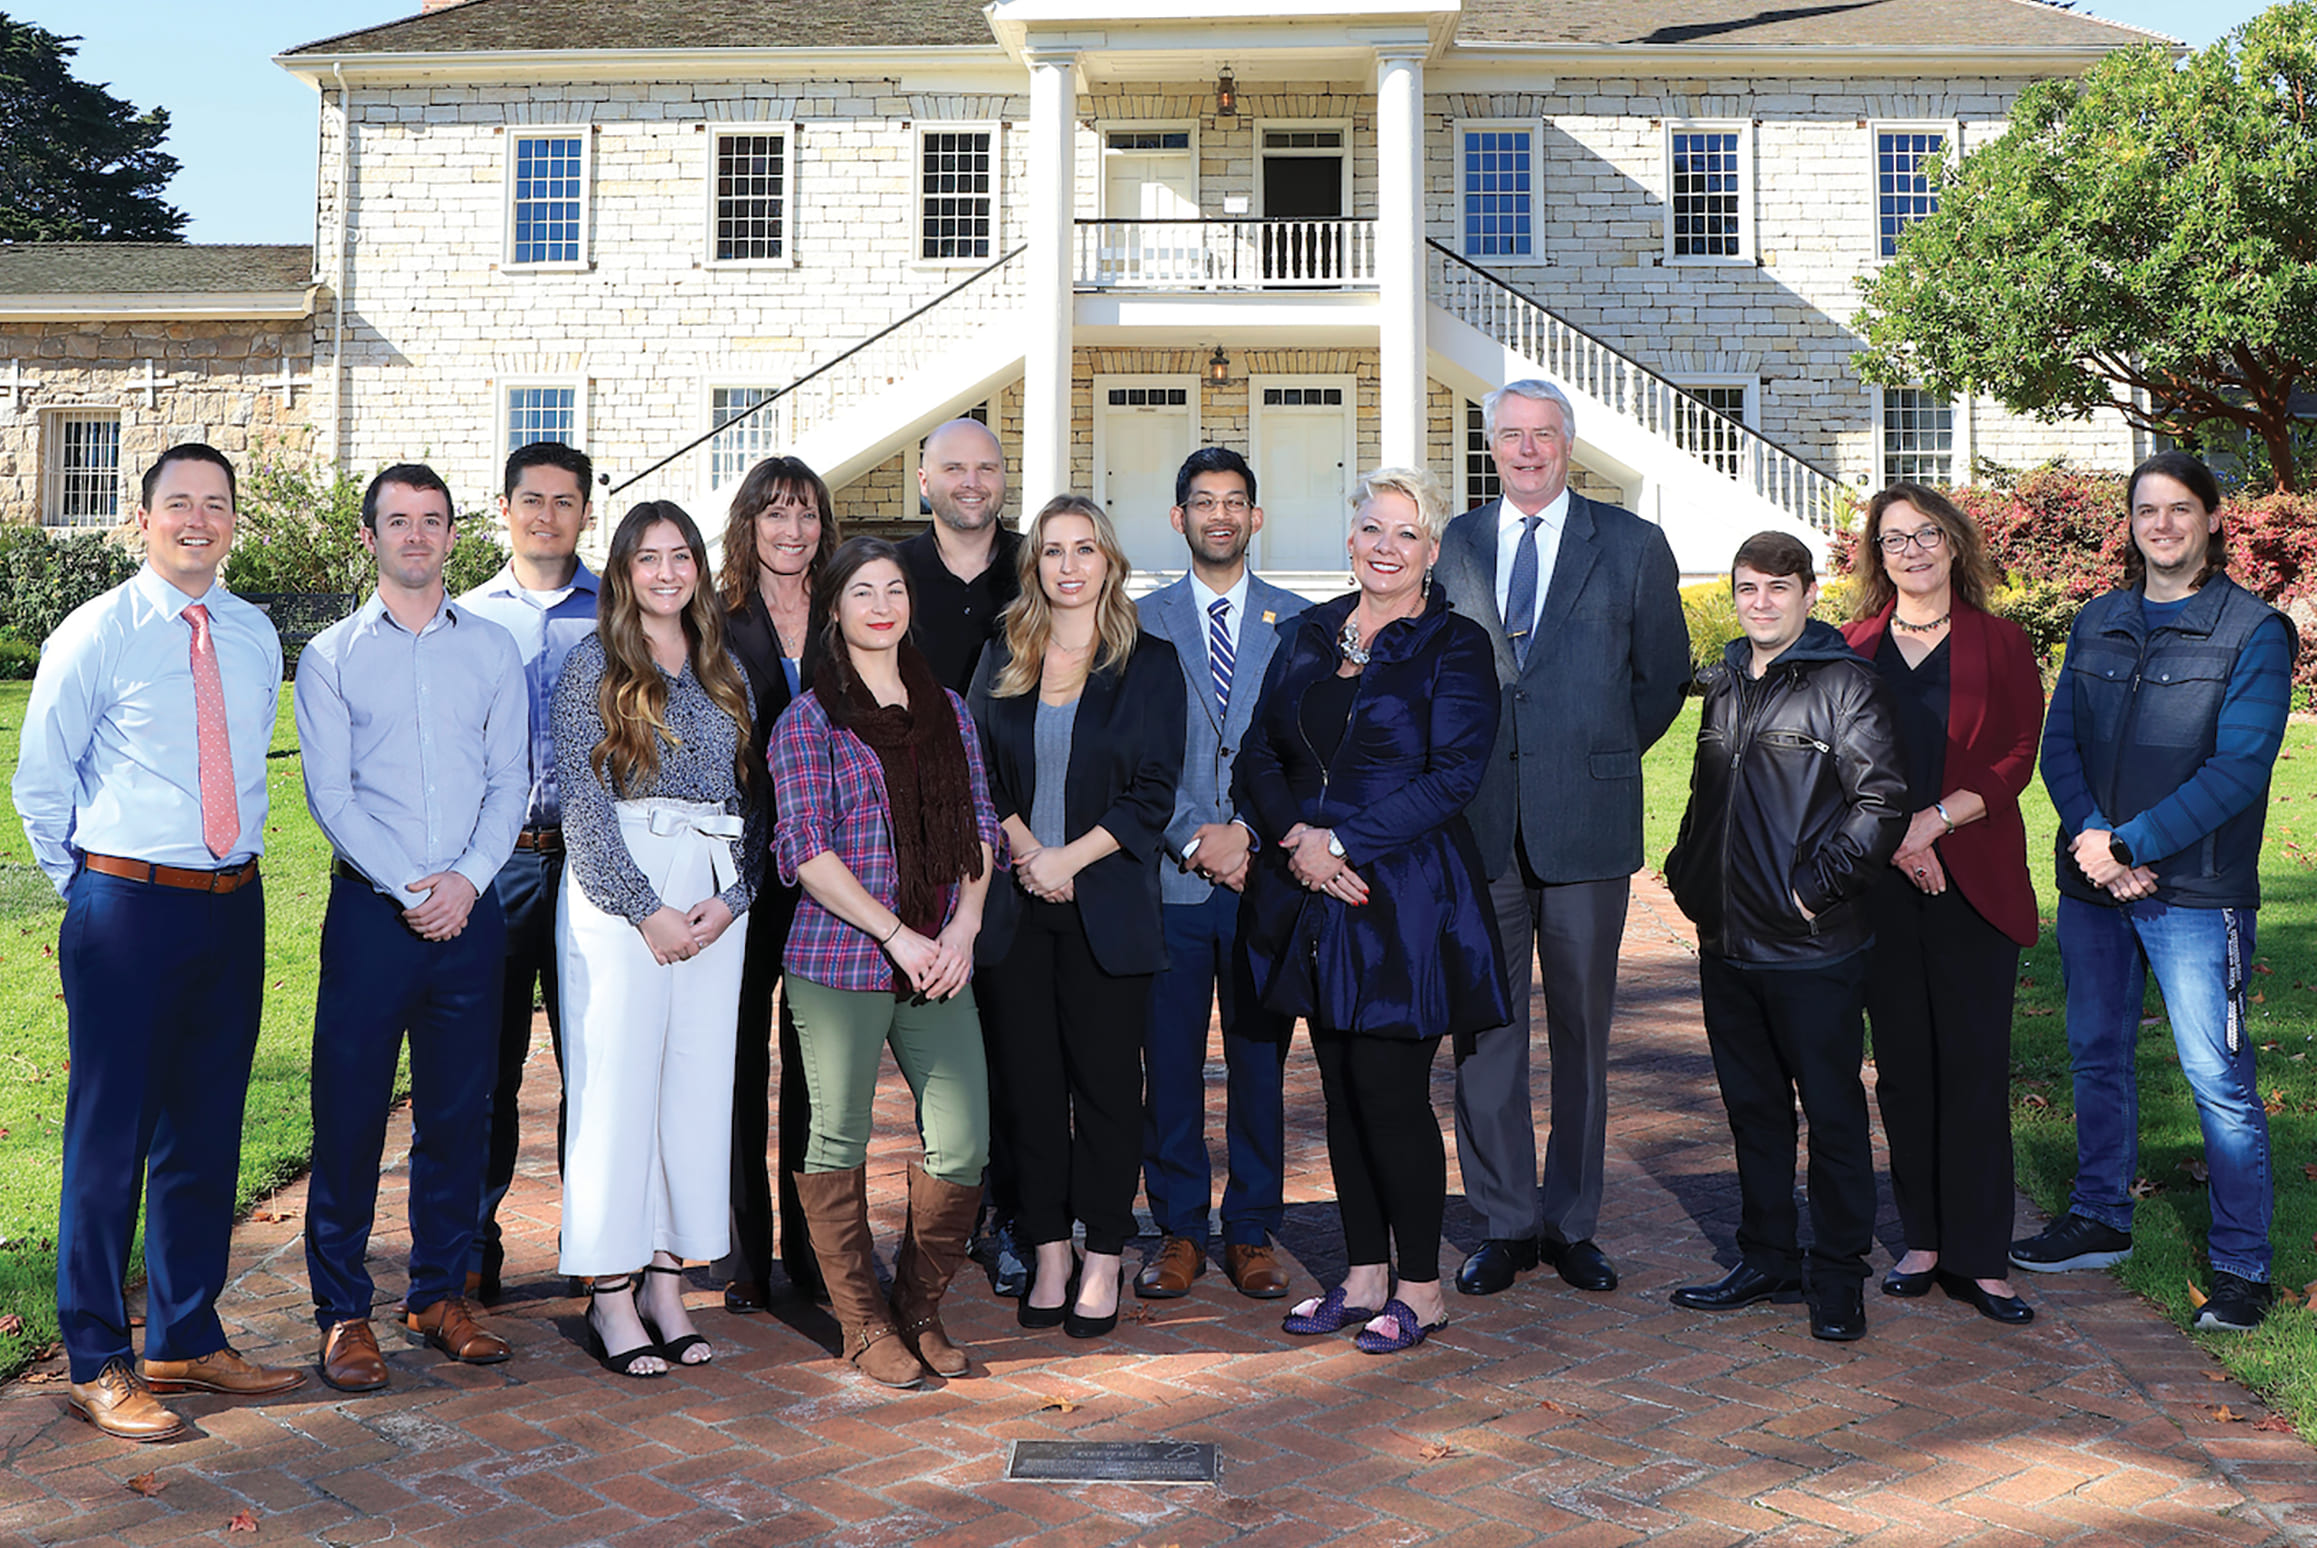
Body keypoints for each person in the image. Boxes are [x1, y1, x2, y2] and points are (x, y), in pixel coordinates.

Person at [15, 443, 304, 1441]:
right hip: (129, 906)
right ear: (143, 520)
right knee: (111, 1139)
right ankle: (97, 1355)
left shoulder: (254, 632)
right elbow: (41, 784)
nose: (198, 518)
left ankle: (185, 1334)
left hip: (235, 902)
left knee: (206, 1130)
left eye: (216, 504)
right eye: (177, 502)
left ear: (232, 522)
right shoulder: (96, 634)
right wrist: (95, 891)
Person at [2014, 451, 2296, 1333]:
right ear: (2128, 523)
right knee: (2095, 1055)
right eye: (2146, 511)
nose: (2162, 525)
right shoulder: (2097, 620)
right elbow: (2057, 745)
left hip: (2196, 894)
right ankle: (2100, 1217)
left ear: (2213, 520)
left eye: (2179, 510)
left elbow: (2240, 767)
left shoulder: (2252, 631)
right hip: (2095, 888)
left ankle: (2242, 1265)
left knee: (2217, 1079)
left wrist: (2131, 841)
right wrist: (2095, 841)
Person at [1237, 468, 1507, 1355]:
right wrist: (1300, 846)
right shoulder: (1310, 631)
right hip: (1315, 894)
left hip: (1403, 895)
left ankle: (1419, 1288)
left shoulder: (1454, 644)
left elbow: (1453, 776)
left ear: (1431, 552)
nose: (1384, 546)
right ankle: (1359, 1277)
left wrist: (1341, 845)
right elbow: (1258, 756)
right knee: (1343, 1095)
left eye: (1405, 533)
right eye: (1370, 528)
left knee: (1391, 1095)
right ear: (1348, 538)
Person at [1432, 379, 1690, 1299]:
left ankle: (1572, 1222)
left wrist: (1598, 755)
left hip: (1587, 826)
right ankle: (1503, 1225)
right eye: (1512, 437)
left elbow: (1660, 678)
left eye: (1544, 435)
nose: (1528, 451)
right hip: (1479, 828)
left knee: (1581, 1034)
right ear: (1491, 446)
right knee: (1485, 1033)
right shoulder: (1455, 544)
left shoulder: (1629, 545)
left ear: (1568, 443)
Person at [295, 464, 529, 1390]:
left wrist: (466, 884)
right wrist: (410, 888)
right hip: (371, 914)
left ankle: (437, 1293)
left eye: (433, 521)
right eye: (399, 521)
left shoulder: (492, 653)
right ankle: (343, 1312)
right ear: (371, 538)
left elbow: (509, 781)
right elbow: (330, 795)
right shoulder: (332, 656)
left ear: (451, 535)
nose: (418, 536)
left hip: (471, 913)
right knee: (349, 1114)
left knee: (458, 1113)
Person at [770, 536, 1003, 1388]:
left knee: (964, 1138)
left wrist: (964, 927)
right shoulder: (809, 718)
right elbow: (803, 848)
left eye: (894, 589)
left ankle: (918, 1308)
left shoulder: (948, 708)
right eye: (861, 590)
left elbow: (980, 820)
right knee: (838, 1132)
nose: (880, 604)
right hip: (840, 959)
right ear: (833, 607)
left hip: (940, 954)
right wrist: (895, 934)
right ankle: (863, 1325)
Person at [1664, 531, 1906, 1343]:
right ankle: (1767, 1256)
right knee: (1753, 1112)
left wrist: (1812, 894)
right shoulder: (1725, 684)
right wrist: (1686, 868)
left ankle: (1838, 1275)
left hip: (1811, 948)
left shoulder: (1844, 685)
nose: (1759, 603)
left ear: (1809, 593)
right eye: (1745, 589)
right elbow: (1707, 797)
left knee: (1831, 1114)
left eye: (1776, 588)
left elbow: (1879, 804)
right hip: (1726, 942)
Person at [553, 501, 763, 1377]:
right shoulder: (589, 667)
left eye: (682, 557)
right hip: (620, 900)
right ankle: (609, 1292)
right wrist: (643, 909)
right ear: (624, 572)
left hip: (712, 898)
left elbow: (757, 797)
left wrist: (735, 897)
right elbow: (583, 805)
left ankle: (668, 1282)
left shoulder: (725, 669)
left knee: (696, 1087)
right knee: (616, 1092)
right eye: (649, 559)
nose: (668, 573)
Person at [970, 496, 1185, 1341]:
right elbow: (977, 769)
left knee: (1103, 1093)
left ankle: (1103, 1256)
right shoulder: (1001, 654)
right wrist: (1029, 852)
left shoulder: (1152, 663)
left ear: (1109, 562)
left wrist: (1070, 859)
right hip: (1017, 914)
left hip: (1107, 908)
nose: (1067, 564)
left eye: (1084, 548)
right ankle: (1050, 1250)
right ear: (1036, 566)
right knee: (1028, 1092)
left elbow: (1154, 790)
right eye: (1053, 550)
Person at [1839, 485, 2044, 1327]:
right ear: (1876, 556)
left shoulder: (1999, 642)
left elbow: (2015, 754)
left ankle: (1979, 1256)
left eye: (1926, 535)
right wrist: (1896, 837)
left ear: (1954, 545)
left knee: (1971, 1067)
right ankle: (1921, 1239)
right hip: (1880, 888)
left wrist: (1934, 822)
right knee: (1902, 1067)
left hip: (1974, 882)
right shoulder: (1849, 647)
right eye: (1894, 540)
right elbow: (1835, 766)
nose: (1913, 550)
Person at [1133, 448, 1309, 1302]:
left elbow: (1308, 754)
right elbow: (1123, 758)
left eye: (1235, 501)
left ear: (1256, 517)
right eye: (1202, 502)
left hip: (1260, 880)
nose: (1219, 516)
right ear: (1178, 518)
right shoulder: (1134, 622)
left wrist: (1245, 833)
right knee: (1166, 1064)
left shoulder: (1300, 623)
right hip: (1168, 883)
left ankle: (1250, 1228)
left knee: (1258, 1061)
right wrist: (1187, 838)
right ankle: (1175, 1231)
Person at [458, 441, 600, 1302]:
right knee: (490, 1069)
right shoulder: (468, 616)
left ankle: (597, 1237)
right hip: (501, 862)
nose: (547, 515)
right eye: (532, 500)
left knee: (594, 1062)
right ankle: (476, 1242)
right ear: (504, 508)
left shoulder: (616, 611)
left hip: (594, 866)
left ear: (587, 512)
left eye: (565, 501)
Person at [895, 415, 1028, 1296]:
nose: (971, 483)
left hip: (1026, 844)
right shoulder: (891, 575)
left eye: (986, 468)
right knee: (937, 1049)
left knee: (1018, 1045)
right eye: (954, 468)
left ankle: (1014, 1217)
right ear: (924, 480)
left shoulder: (1037, 564)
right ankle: (949, 1217)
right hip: (917, 846)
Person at [717, 455, 840, 1313]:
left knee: (815, 1070)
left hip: (829, 876)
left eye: (804, 515)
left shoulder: (849, 613)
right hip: (739, 874)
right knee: (732, 1068)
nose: (791, 532)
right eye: (775, 515)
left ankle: (809, 1250)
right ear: (748, 526)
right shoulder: (716, 620)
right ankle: (743, 1256)